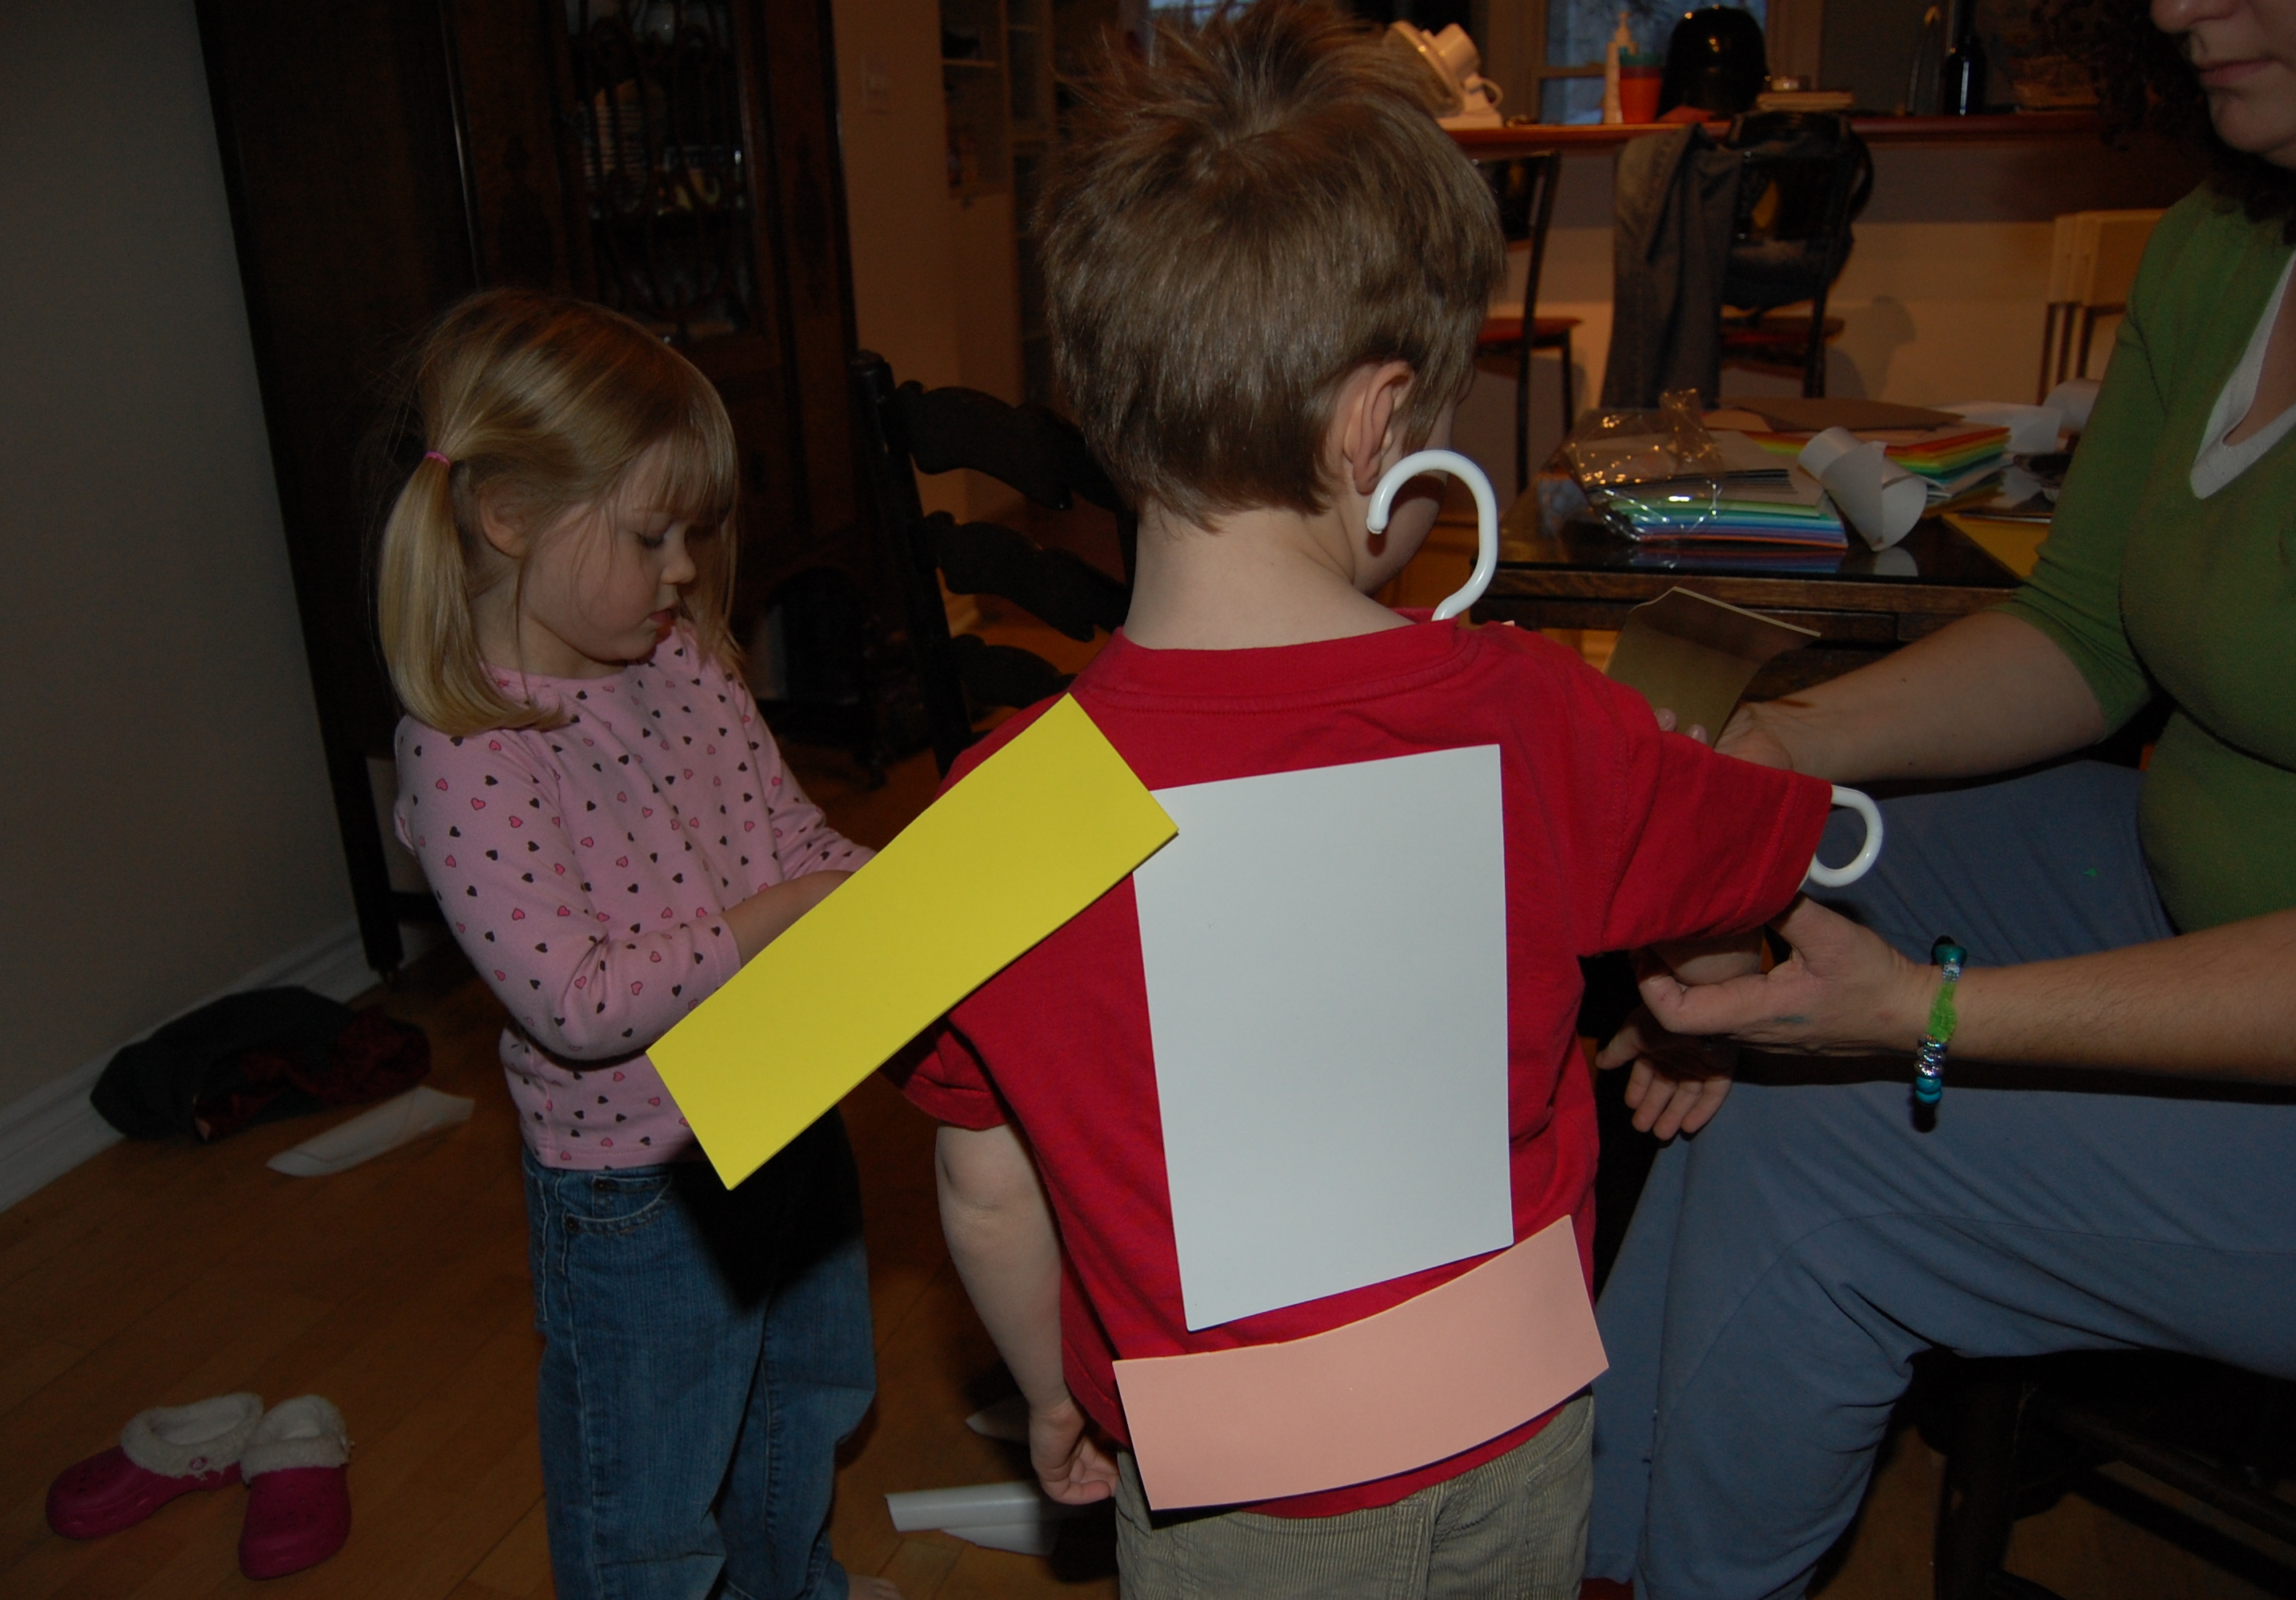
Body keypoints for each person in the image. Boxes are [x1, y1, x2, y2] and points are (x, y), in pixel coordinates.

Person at [890, 6, 1844, 1594]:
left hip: (1226, 1483)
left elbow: (983, 1186)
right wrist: (1717, 957)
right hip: (1513, 1418)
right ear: (1373, 424)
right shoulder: (1535, 712)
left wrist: (1055, 1392)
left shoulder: (1003, 824)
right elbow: (1729, 860)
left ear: (1110, 411)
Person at [1586, 0, 2296, 1593]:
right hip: (2182, 878)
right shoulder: (2223, 243)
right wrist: (1770, 759)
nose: (2179, 5)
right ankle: (1600, 1538)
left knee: (1819, 1141)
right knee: (1795, 867)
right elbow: (2086, 630)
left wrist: (1926, 1016)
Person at [377, 290, 898, 1600]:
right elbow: (577, 1000)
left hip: (784, 1107)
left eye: (692, 534)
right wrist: (787, 915)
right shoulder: (471, 751)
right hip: (639, 1186)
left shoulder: (686, 664)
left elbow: (787, 833)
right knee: (652, 1495)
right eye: (651, 534)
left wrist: (898, 892)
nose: (683, 570)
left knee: (802, 1406)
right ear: (509, 516)